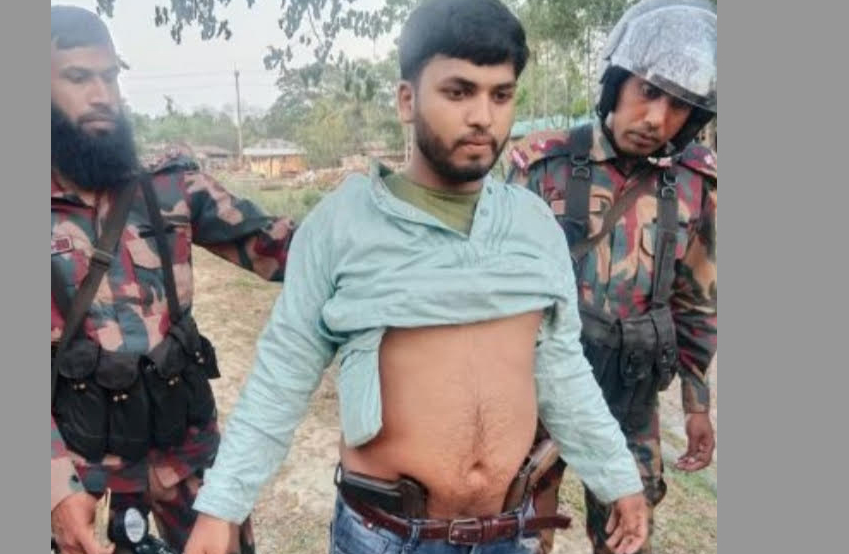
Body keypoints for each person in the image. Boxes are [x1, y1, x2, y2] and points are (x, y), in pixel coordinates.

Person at [182, 1, 649, 553]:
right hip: (386, 537)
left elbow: (561, 369)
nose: (483, 116)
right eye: (459, 91)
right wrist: (222, 507)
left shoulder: (533, 226)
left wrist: (617, 478)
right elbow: (281, 376)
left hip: (508, 533)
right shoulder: (343, 225)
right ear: (407, 100)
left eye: (501, 95)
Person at [50, 6, 296, 554]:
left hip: (187, 453)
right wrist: (52, 489)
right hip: (83, 470)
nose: (101, 95)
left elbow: (287, 250)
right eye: (78, 77)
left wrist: (374, 228)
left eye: (110, 77)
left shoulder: (170, 187)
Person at [506, 1, 717, 552]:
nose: (657, 120)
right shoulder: (542, 166)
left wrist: (696, 405)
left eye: (679, 106)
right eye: (647, 91)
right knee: (522, 536)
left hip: (631, 396)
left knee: (628, 540)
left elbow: (696, 302)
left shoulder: (697, 186)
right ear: (616, 82)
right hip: (538, 396)